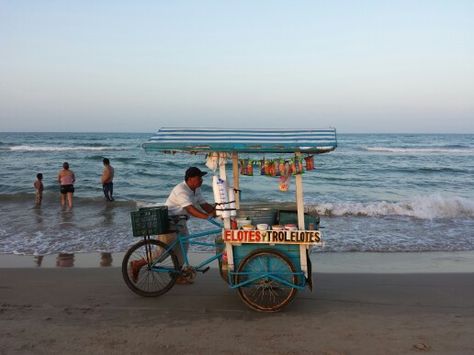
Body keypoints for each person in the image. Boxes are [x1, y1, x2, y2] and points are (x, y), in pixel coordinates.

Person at [130, 167, 216, 285]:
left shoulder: (196, 189)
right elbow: (189, 209)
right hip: (169, 223)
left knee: (182, 249)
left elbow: (204, 204)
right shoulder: (181, 190)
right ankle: (137, 263)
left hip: (181, 222)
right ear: (190, 179)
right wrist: (206, 217)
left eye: (201, 177)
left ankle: (177, 275)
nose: (201, 180)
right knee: (162, 253)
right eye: (199, 177)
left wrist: (217, 212)